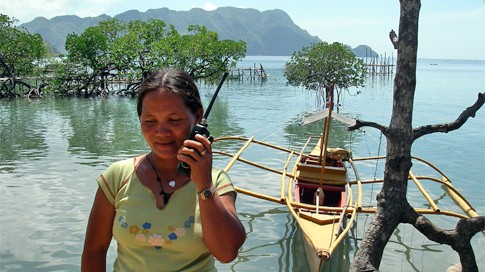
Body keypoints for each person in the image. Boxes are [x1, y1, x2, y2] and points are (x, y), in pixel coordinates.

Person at [81, 68, 246, 271]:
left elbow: (227, 253)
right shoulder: (117, 177)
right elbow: (94, 251)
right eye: (150, 121)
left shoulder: (215, 182)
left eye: (174, 120)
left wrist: (204, 186)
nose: (162, 132)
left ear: (198, 117)